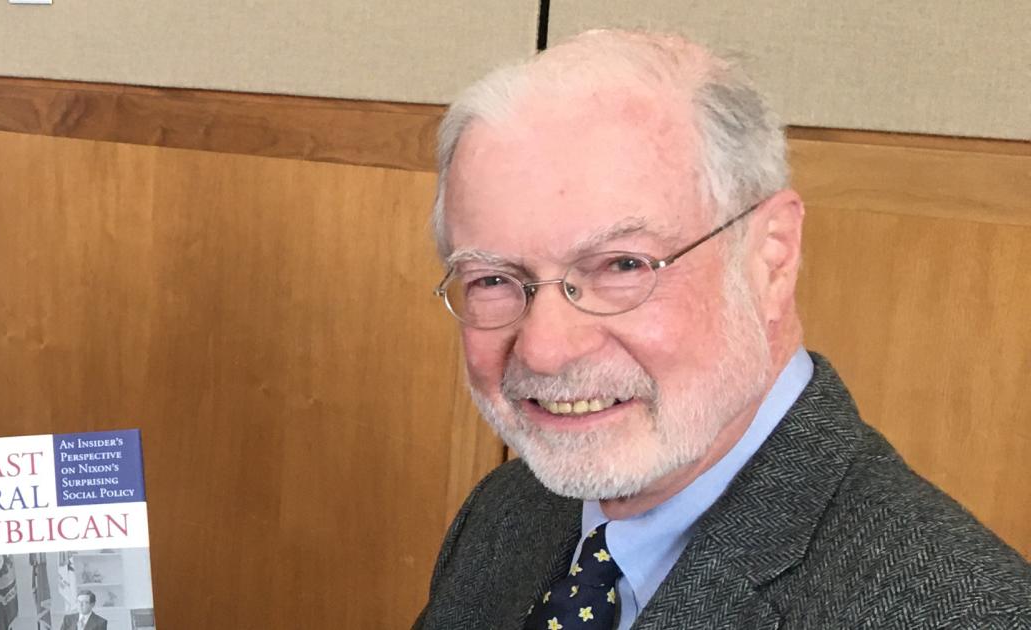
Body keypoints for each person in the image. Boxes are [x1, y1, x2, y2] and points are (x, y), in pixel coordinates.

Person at [414, 29, 1031, 629]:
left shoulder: (967, 611)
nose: (545, 351)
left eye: (622, 266)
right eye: (493, 279)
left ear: (772, 256)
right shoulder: (507, 509)